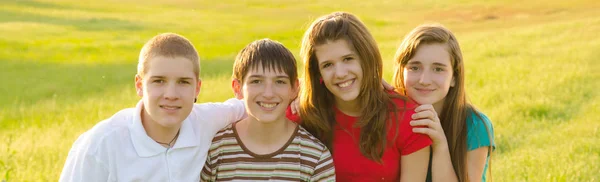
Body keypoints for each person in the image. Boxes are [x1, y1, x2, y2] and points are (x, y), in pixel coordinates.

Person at [59, 33, 246, 182]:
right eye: (159, 81)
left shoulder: (206, 121)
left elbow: (252, 105)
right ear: (139, 85)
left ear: (197, 88)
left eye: (183, 82)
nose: (171, 94)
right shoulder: (100, 145)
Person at [292, 12, 432, 181]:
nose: (340, 73)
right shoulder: (302, 116)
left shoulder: (409, 118)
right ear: (318, 73)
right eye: (328, 65)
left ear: (366, 58)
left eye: (348, 59)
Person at [200, 39, 335, 181]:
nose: (268, 94)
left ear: (295, 88)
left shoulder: (314, 156)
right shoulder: (217, 150)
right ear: (237, 88)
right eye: (256, 81)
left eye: (279, 82)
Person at [391, 24, 495, 182]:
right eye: (414, 67)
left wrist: (440, 145)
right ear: (402, 71)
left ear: (454, 77)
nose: (424, 80)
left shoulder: (475, 125)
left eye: (438, 69)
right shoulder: (390, 117)